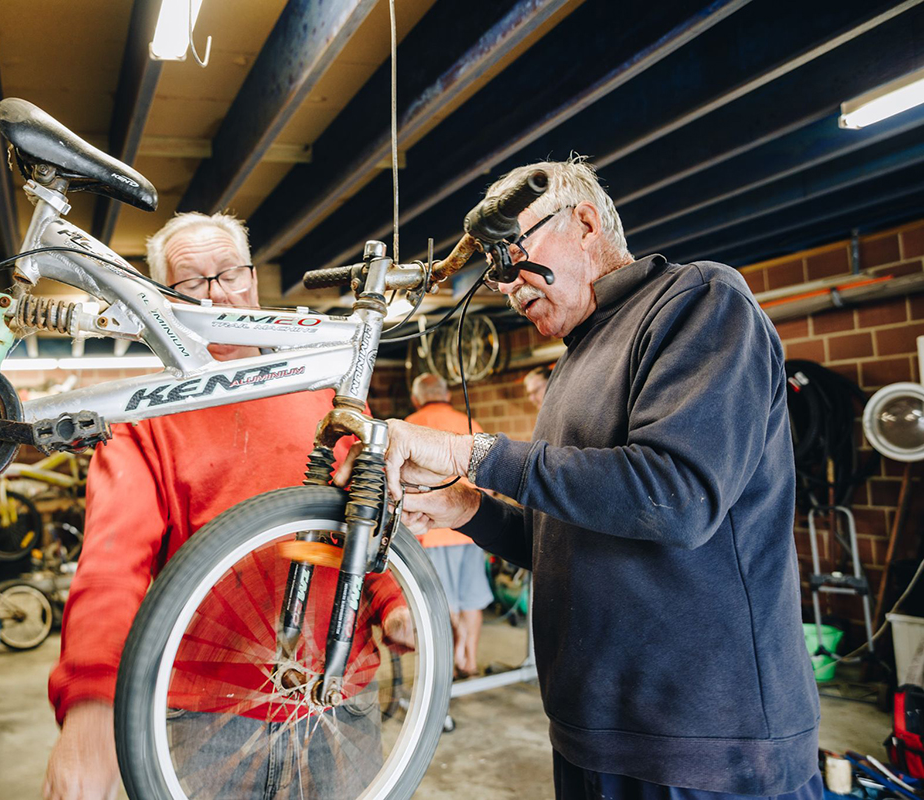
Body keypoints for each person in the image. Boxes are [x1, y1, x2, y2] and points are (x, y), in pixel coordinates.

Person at [343, 158, 822, 799]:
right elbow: (568, 534)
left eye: (516, 253)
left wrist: (473, 452)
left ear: (586, 222)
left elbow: (674, 496)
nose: (510, 286)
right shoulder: (575, 362)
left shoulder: (700, 303)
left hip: (707, 747)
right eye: (496, 272)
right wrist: (467, 510)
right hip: (590, 735)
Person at [43, 212, 413, 800]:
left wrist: (396, 603)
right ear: (163, 298)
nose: (216, 294)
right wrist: (93, 701)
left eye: (229, 274)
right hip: (206, 718)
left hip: (339, 700)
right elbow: (112, 566)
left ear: (253, 282)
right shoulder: (144, 418)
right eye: (191, 283)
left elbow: (369, 516)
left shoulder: (328, 396)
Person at [404, 373, 491, 678]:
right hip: (472, 530)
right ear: (448, 395)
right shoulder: (470, 424)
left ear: (417, 398)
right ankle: (468, 661)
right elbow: (489, 484)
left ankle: (449, 669)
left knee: (444, 602)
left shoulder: (410, 426)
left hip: (432, 532)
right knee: (471, 599)